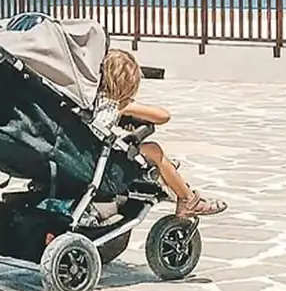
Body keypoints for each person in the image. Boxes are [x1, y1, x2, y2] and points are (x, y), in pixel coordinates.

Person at [95, 49, 227, 218]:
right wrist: (128, 105)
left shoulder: (91, 99)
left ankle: (167, 172)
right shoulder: (119, 104)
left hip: (88, 153)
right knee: (154, 150)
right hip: (104, 164)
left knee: (148, 153)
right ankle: (187, 199)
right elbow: (163, 116)